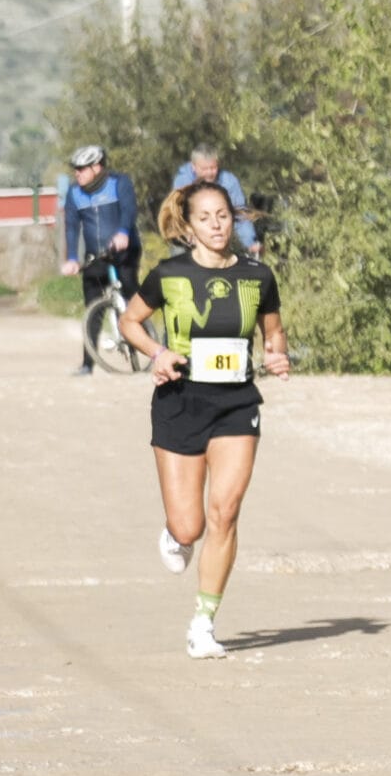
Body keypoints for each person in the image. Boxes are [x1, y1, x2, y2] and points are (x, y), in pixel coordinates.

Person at [116, 180, 291, 658]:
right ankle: (176, 534)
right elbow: (129, 321)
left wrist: (277, 355)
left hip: (236, 405)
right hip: (179, 401)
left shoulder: (258, 276)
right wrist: (157, 353)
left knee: (225, 512)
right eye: (205, 218)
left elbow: (274, 333)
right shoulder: (168, 274)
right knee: (189, 525)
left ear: (233, 219)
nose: (216, 225)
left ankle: (203, 623)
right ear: (188, 227)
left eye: (223, 216)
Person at [58, 145, 142, 375]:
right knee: (92, 309)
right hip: (95, 256)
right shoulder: (74, 193)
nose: (77, 173)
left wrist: (123, 232)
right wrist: (72, 258)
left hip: (124, 252)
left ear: (96, 167)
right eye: (75, 169)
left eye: (82, 169)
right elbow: (72, 227)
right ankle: (88, 364)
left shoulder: (119, 183)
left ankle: (148, 343)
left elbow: (129, 210)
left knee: (133, 298)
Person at [171, 146, 259, 253]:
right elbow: (178, 214)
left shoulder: (229, 181)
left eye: (213, 168)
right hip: (187, 233)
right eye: (204, 169)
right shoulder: (182, 181)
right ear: (193, 166)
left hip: (216, 233)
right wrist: (188, 233)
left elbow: (240, 212)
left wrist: (249, 242)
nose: (209, 173)